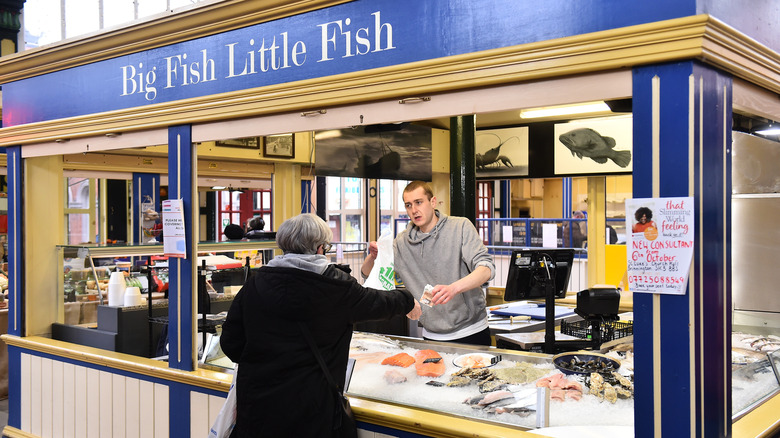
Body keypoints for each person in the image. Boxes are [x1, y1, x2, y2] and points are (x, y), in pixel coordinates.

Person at [221, 213, 421, 438]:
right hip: (311, 412)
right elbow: (377, 302)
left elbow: (230, 343)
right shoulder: (335, 286)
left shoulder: (254, 284)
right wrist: (407, 300)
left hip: (258, 409)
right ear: (319, 248)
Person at [361, 181, 495, 346]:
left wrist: (453, 288)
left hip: (472, 331)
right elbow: (367, 274)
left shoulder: (460, 227)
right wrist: (373, 256)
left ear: (432, 202)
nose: (414, 210)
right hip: (431, 336)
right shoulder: (401, 243)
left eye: (419, 202)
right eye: (408, 205)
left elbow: (486, 268)